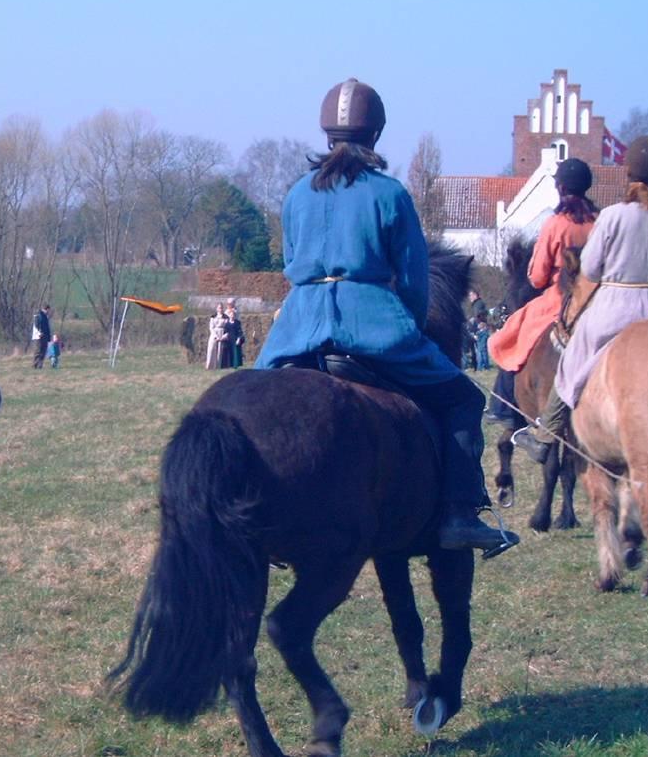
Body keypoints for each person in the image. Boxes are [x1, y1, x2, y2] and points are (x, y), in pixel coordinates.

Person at [256, 77, 518, 556]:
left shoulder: (296, 194)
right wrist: (410, 326)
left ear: (326, 134)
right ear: (375, 135)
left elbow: (291, 263)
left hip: (299, 325)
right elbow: (416, 283)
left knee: (255, 399)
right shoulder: (390, 194)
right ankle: (459, 515)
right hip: (371, 325)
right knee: (462, 399)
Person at [514, 136, 648, 464]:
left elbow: (591, 267)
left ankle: (546, 434)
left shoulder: (613, 216)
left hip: (617, 306)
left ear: (629, 172)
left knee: (571, 358)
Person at [485, 159, 598, 425]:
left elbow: (536, 277)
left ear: (560, 187)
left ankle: (502, 407)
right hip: (597, 298)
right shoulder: (600, 221)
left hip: (560, 298)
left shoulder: (556, 223)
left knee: (512, 334)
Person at [222, 299, 246, 368]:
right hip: (229, 334)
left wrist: (239, 338)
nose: (229, 305)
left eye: (231, 303)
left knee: (236, 350)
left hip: (235, 332)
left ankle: (236, 363)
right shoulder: (226, 312)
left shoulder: (237, 312)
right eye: (228, 303)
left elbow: (239, 327)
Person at [206, 303, 228, 370]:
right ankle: (210, 366)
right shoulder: (213, 317)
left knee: (219, 351)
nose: (220, 309)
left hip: (222, 333)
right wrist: (215, 336)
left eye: (221, 307)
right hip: (214, 334)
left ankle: (218, 366)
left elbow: (227, 328)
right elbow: (211, 327)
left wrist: (223, 337)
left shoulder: (226, 317)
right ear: (217, 308)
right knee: (211, 349)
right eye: (219, 308)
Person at [32, 304, 52, 369]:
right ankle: (35, 365)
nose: (49, 312)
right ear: (46, 309)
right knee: (38, 351)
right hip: (39, 336)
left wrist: (49, 337)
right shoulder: (38, 315)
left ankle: (40, 365)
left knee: (43, 351)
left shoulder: (45, 316)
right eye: (48, 310)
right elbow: (36, 324)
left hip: (45, 337)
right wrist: (40, 332)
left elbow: (47, 328)